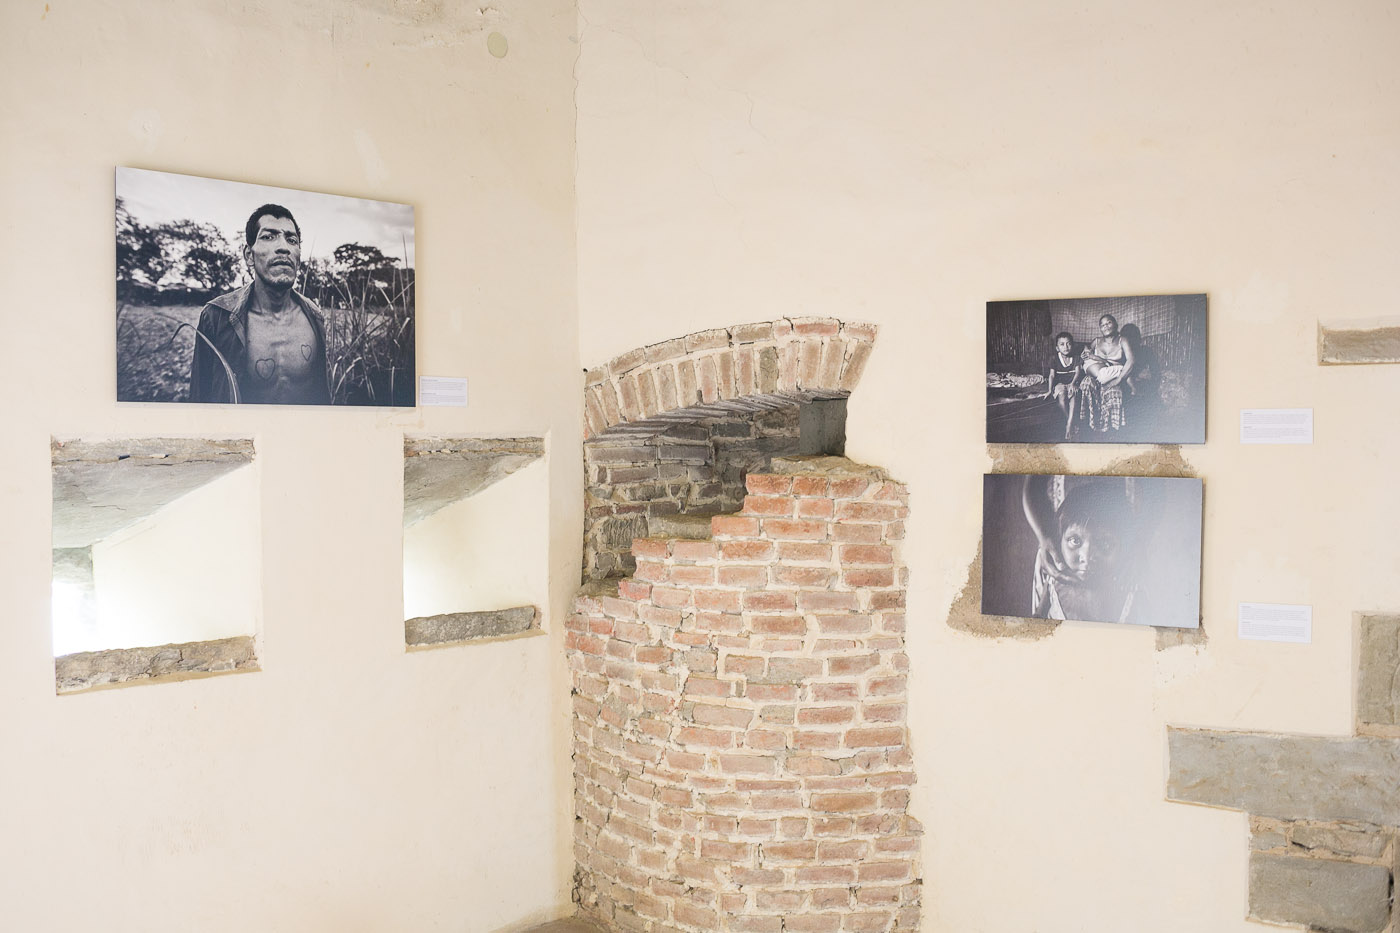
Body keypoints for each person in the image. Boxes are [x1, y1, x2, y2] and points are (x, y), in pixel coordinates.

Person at [189, 204, 331, 404]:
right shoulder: (217, 316)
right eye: (268, 236)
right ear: (249, 255)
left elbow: (321, 397)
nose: (283, 247)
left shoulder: (314, 316)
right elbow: (199, 399)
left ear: (298, 257)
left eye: (292, 240)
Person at [1022, 475, 1137, 624]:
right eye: (1075, 541)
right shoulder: (1055, 578)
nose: (1087, 557)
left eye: (1105, 544)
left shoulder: (1128, 581)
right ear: (1059, 541)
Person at [1070, 314, 1134, 435]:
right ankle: (1087, 425)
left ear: (1115, 324)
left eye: (1109, 323)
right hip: (1097, 375)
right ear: (1100, 328)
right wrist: (1085, 356)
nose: (1106, 326)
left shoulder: (1123, 340)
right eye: (1102, 325)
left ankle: (1113, 430)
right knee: (1085, 385)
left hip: (1114, 376)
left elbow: (1131, 360)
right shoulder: (1096, 341)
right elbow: (1087, 355)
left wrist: (1119, 379)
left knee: (1115, 391)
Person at [1042, 331, 1081, 440]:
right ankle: (1071, 422)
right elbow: (1052, 375)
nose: (1066, 347)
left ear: (1072, 345)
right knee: (1062, 397)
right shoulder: (1054, 358)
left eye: (1068, 344)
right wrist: (1049, 390)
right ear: (1057, 348)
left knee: (1073, 395)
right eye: (1062, 344)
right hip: (1060, 384)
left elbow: (1077, 372)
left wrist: (1072, 384)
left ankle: (1068, 425)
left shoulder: (1076, 357)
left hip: (1072, 382)